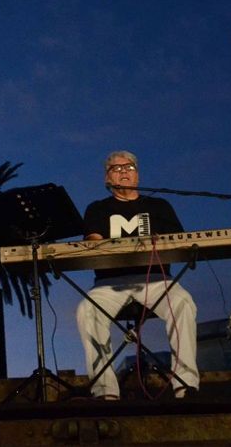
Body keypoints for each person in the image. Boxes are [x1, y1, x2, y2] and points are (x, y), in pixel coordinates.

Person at [74, 150, 199, 400]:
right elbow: (93, 244)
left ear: (138, 174)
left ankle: (185, 386)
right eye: (116, 168)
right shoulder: (97, 209)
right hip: (110, 283)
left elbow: (178, 242)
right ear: (107, 178)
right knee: (87, 311)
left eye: (129, 167)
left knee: (183, 302)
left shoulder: (159, 206)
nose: (123, 171)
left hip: (156, 280)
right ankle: (105, 392)